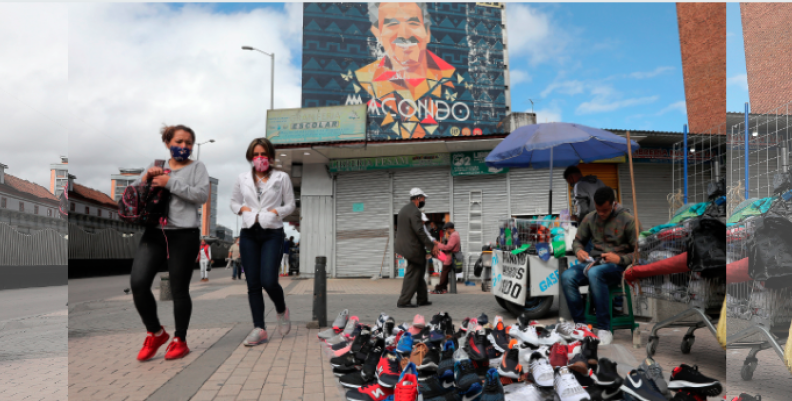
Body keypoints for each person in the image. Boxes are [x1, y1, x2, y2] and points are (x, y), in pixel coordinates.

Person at [130, 124, 210, 362]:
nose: (184, 147)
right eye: (179, 142)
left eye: (188, 143)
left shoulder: (198, 167)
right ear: (168, 143)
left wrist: (169, 183)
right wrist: (147, 178)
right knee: (138, 283)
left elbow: (201, 195)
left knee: (178, 289)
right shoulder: (157, 165)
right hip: (154, 233)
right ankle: (155, 332)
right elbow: (133, 192)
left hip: (183, 235)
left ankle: (180, 340)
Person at [350, 3, 459, 139]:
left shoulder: (454, 79)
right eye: (392, 24)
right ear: (378, 33)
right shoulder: (363, 80)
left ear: (427, 32)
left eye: (413, 23)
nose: (404, 34)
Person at [230, 137, 296, 345]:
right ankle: (259, 328)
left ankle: (281, 309)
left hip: (272, 231)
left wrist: (278, 211)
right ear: (251, 157)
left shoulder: (281, 177)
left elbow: (291, 204)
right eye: (256, 154)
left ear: (270, 156)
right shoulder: (242, 178)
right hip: (249, 232)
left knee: (269, 281)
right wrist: (241, 208)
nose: (260, 158)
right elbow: (233, 201)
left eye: (264, 154)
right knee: (253, 284)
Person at [560, 186, 638, 345]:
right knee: (567, 276)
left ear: (614, 204)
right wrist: (579, 251)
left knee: (596, 273)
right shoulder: (590, 218)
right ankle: (581, 326)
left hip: (617, 267)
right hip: (594, 262)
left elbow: (640, 251)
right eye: (598, 209)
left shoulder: (628, 220)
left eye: (605, 210)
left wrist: (620, 259)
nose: (601, 213)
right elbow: (578, 241)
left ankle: (604, 328)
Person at [395, 188, 438, 308]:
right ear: (418, 198)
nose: (424, 200)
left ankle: (422, 299)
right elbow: (419, 231)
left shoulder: (404, 209)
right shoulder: (415, 212)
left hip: (405, 246)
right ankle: (403, 301)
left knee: (419, 272)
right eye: (423, 198)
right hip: (412, 248)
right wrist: (431, 246)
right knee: (413, 273)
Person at [430, 222, 460, 294]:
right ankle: (443, 288)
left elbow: (448, 247)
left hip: (449, 257)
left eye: (447, 230)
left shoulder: (453, 236)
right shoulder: (456, 234)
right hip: (451, 256)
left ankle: (439, 288)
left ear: (449, 229)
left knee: (444, 274)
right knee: (445, 274)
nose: (446, 231)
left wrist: (438, 244)